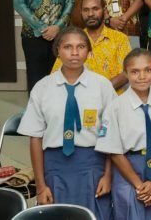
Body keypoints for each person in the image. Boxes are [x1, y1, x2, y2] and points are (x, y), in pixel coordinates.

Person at [17, 26, 116, 219]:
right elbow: (35, 138)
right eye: (68, 47)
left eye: (80, 47)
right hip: (55, 167)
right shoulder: (43, 87)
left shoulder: (102, 86)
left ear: (88, 52)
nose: (74, 52)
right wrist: (40, 185)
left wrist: (108, 174)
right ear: (58, 51)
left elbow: (111, 134)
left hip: (93, 167)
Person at [95, 49, 151, 220]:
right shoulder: (115, 106)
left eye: (148, 70)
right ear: (126, 74)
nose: (142, 76)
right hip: (129, 170)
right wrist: (140, 186)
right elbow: (114, 150)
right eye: (135, 72)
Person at [51, 0, 131, 95]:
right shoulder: (72, 40)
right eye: (86, 10)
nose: (90, 14)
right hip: (78, 102)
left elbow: (126, 73)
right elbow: (56, 74)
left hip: (112, 103)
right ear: (81, 13)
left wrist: (97, 92)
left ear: (105, 11)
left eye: (95, 9)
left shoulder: (120, 39)